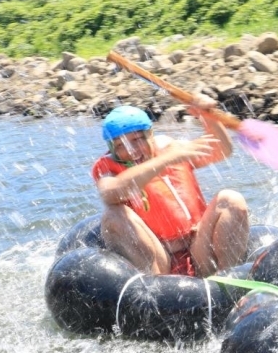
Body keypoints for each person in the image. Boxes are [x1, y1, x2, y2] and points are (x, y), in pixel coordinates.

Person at [91, 104, 249, 278]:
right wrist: (166, 160)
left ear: (150, 135)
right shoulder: (107, 167)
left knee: (231, 199)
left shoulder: (171, 148)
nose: (132, 151)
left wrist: (209, 115)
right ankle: (156, 294)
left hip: (198, 247)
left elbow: (222, 150)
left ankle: (229, 280)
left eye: (137, 140)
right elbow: (110, 193)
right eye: (121, 145)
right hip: (159, 258)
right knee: (113, 214)